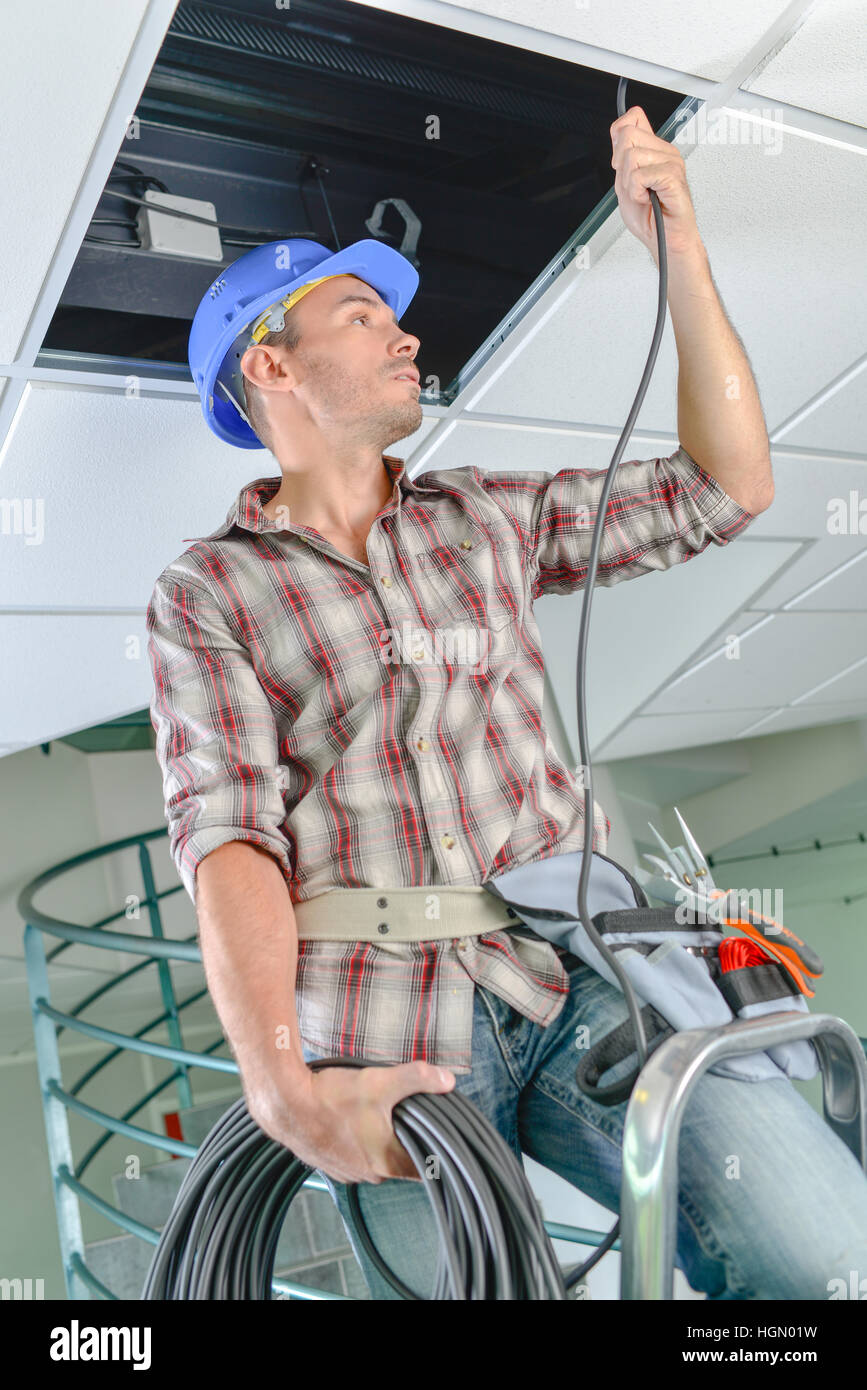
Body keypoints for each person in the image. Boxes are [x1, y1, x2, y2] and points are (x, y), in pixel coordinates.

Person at [147, 106, 867, 1299]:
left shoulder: (485, 515)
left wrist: (678, 243)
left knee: (830, 1260)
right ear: (270, 364)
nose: (405, 332)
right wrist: (280, 1087)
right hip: (378, 1023)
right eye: (362, 313)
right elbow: (228, 837)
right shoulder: (209, 587)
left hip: (576, 975)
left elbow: (725, 484)